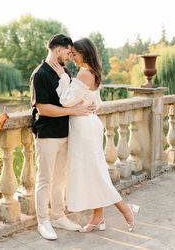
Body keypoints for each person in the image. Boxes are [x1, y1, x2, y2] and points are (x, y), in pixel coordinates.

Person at [50, 37, 140, 233]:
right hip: (88, 124)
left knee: (95, 172)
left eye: (75, 54)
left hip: (84, 127)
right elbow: (97, 102)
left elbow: (65, 101)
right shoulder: (94, 72)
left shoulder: (83, 74)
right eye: (71, 54)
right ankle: (98, 217)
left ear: (84, 53)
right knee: (91, 172)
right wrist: (88, 104)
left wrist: (63, 77)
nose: (72, 57)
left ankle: (126, 209)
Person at [30, 34, 94, 240]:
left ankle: (58, 216)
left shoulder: (64, 71)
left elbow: (72, 98)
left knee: (60, 179)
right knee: (45, 179)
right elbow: (43, 109)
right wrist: (74, 111)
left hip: (66, 134)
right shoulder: (39, 75)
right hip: (47, 135)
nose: (69, 56)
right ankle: (43, 221)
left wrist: (87, 104)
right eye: (68, 52)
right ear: (58, 50)